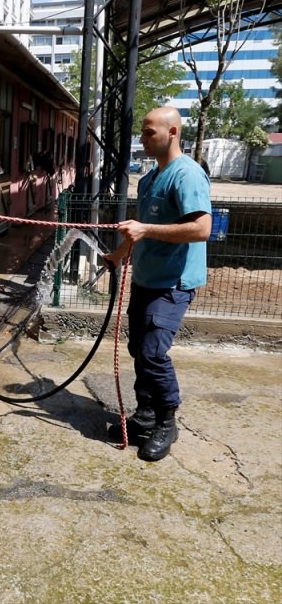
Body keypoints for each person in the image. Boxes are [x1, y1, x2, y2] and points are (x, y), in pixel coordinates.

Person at [104, 107, 212, 461]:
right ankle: (145, 414)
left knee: (153, 353)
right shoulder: (151, 179)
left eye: (149, 132)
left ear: (173, 132)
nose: (143, 138)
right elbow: (140, 231)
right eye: (143, 132)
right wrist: (119, 255)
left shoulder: (188, 176)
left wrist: (146, 229)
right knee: (139, 349)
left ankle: (167, 420)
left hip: (173, 284)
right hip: (146, 278)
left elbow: (202, 229)